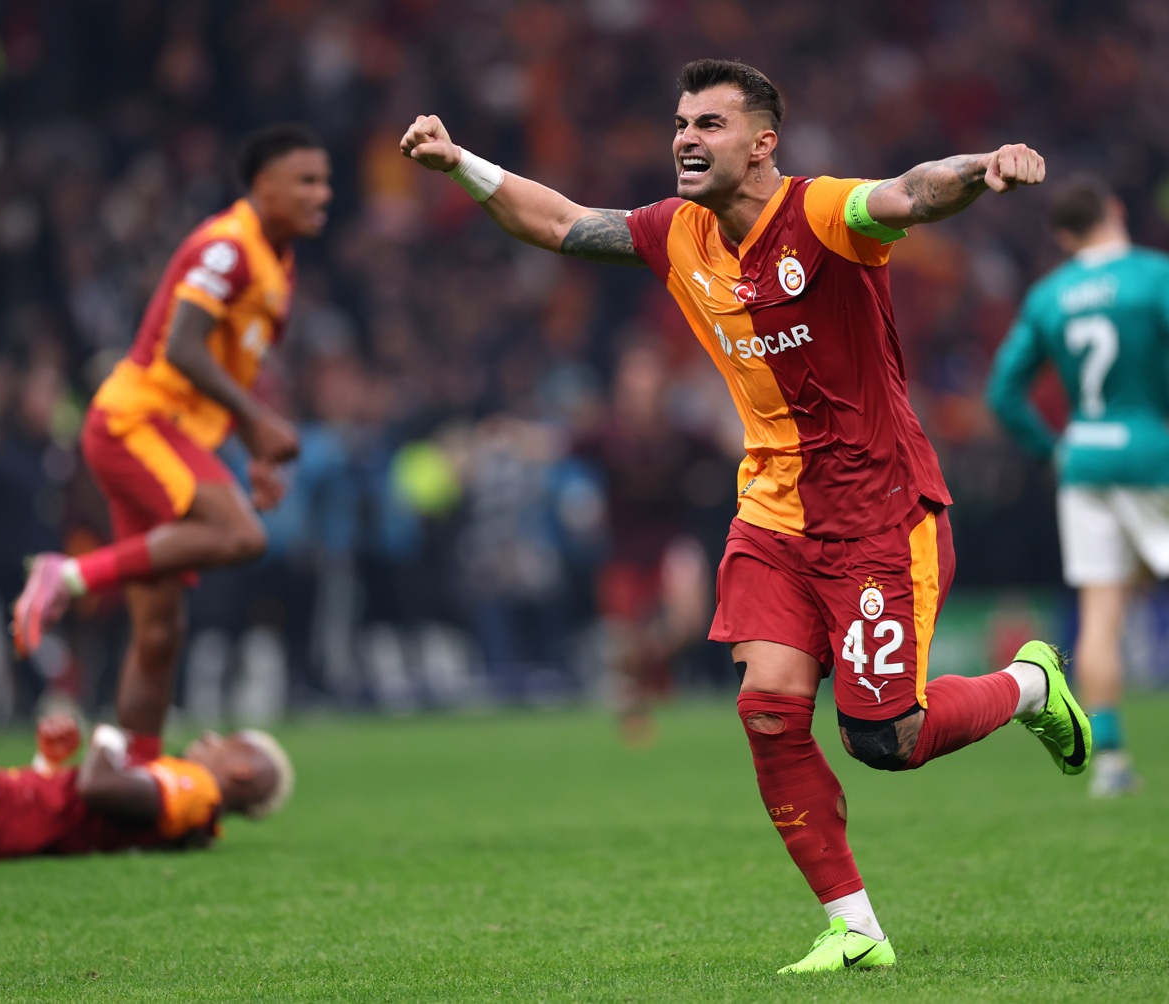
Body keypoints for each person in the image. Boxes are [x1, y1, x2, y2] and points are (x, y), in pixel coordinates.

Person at [401, 58, 1091, 973]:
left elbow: (910, 195)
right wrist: (459, 163)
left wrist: (978, 167)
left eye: (710, 124)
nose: (686, 136)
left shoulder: (822, 214)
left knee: (884, 738)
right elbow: (561, 222)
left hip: (879, 513)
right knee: (767, 711)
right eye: (681, 121)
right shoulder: (674, 230)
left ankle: (1032, 686)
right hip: (770, 512)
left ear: (762, 144)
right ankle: (854, 928)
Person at [11, 125, 331, 765]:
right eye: (306, 181)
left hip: (173, 436)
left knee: (159, 633)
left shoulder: (278, 263)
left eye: (324, 180)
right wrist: (260, 420)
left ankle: (139, 783)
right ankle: (68, 575)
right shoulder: (227, 248)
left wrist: (256, 447)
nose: (322, 194)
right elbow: (181, 348)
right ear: (263, 186)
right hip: (137, 424)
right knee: (242, 536)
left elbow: (226, 369)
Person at [986, 176, 1169, 797]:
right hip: (1153, 452)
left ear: (1065, 237)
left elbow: (1003, 393)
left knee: (1101, 609)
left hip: (1086, 459)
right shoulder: (1156, 275)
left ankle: (1112, 764)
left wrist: (1054, 449)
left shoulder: (1048, 295)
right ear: (1115, 212)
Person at [573, 341, 720, 745]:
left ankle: (649, 671)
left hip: (672, 542)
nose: (642, 384)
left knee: (688, 621)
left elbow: (726, 445)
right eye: (635, 375)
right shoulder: (606, 433)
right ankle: (638, 700)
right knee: (624, 640)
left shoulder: (680, 432)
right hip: (622, 551)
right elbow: (559, 444)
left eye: (649, 374)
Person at [0, 713, 293, 860]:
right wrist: (47, 765)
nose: (210, 736)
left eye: (227, 741)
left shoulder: (198, 788)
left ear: (242, 771)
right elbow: (66, 817)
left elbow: (96, 787)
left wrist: (110, 739)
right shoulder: (192, 814)